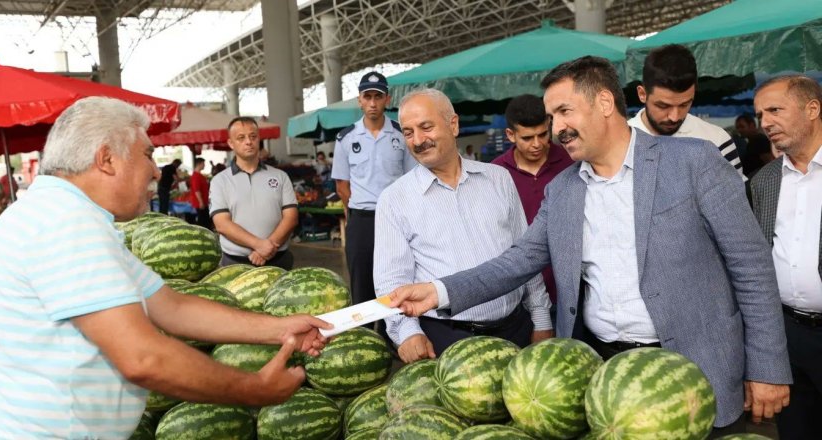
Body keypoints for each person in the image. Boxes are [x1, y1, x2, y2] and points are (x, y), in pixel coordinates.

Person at [387, 56, 791, 434]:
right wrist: (438, 291)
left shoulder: (694, 161)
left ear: (603, 102)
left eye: (564, 112)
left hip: (693, 368)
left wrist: (768, 366)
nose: (557, 128)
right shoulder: (563, 189)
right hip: (600, 372)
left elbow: (751, 266)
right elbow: (518, 260)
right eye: (551, 117)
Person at [0, 97, 330, 439]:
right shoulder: (64, 224)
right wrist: (255, 389)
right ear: (107, 159)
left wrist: (280, 329)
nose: (156, 171)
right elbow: (143, 358)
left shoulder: (71, 217)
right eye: (147, 155)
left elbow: (172, 307)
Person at [376, 89, 552, 363]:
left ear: (453, 124)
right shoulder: (393, 199)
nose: (418, 140)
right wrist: (408, 332)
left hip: (516, 329)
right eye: (408, 133)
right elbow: (391, 281)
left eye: (426, 127)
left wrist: (541, 320)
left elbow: (525, 256)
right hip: (449, 339)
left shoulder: (499, 179)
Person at [750, 75, 822, 440]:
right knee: (797, 431)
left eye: (775, 110)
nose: (765, 122)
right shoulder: (764, 182)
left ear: (813, 109)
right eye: (760, 114)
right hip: (788, 335)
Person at [331, 71, 418, 316]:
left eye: (377, 97)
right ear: (359, 100)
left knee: (398, 279)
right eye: (367, 97)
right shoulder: (345, 138)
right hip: (362, 219)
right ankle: (365, 332)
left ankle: (397, 336)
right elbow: (342, 186)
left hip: (397, 220)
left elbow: (412, 180)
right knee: (361, 284)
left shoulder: (402, 135)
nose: (372, 103)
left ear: (387, 100)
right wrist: (355, 214)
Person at [492, 94, 573, 309]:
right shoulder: (496, 174)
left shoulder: (572, 162)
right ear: (510, 134)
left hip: (571, 290)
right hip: (520, 293)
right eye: (527, 138)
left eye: (543, 134)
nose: (537, 144)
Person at [628, 44, 745, 180]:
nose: (674, 117)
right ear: (642, 94)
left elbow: (733, 200)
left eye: (684, 104)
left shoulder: (717, 141)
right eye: (663, 106)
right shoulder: (620, 144)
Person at [210, 117, 298, 269]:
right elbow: (222, 224)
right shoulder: (220, 181)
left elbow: (291, 218)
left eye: (253, 136)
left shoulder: (280, 176)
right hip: (236, 264)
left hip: (278, 259)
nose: (248, 142)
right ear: (231, 143)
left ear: (259, 139)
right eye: (241, 138)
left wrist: (267, 248)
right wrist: (259, 245)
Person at [189, 157, 212, 230]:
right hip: (200, 203)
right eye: (203, 164)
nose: (204, 165)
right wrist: (201, 202)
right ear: (199, 164)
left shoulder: (199, 175)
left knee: (205, 219)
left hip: (204, 202)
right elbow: (197, 191)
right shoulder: (196, 176)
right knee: (203, 221)